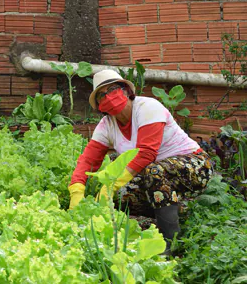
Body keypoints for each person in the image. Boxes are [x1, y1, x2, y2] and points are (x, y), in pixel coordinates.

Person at [68, 69, 213, 253]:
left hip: (195, 166)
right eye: (102, 95)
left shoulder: (147, 108)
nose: (109, 97)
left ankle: (170, 243)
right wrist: (76, 190)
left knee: (154, 171)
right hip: (158, 178)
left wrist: (112, 184)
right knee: (121, 196)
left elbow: (147, 153)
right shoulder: (106, 126)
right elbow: (88, 160)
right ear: (99, 106)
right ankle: (179, 209)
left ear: (126, 91)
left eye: (113, 89)